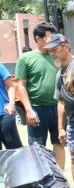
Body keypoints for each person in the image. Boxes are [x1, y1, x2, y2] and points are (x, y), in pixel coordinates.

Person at [15, 22, 65, 167]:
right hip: (37, 108)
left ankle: (62, 177)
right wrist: (29, 110)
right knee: (37, 147)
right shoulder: (26, 59)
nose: (53, 40)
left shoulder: (58, 55)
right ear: (38, 38)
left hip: (58, 107)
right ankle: (42, 178)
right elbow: (21, 86)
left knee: (59, 142)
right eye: (50, 37)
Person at [46, 34, 74, 184]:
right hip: (72, 122)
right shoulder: (59, 74)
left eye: (55, 49)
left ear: (66, 47)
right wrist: (60, 128)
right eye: (50, 51)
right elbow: (61, 102)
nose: (52, 53)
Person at [0, 63, 22, 149]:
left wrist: (11, 103)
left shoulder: (0, 67)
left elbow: (10, 86)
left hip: (4, 113)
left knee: (15, 149)